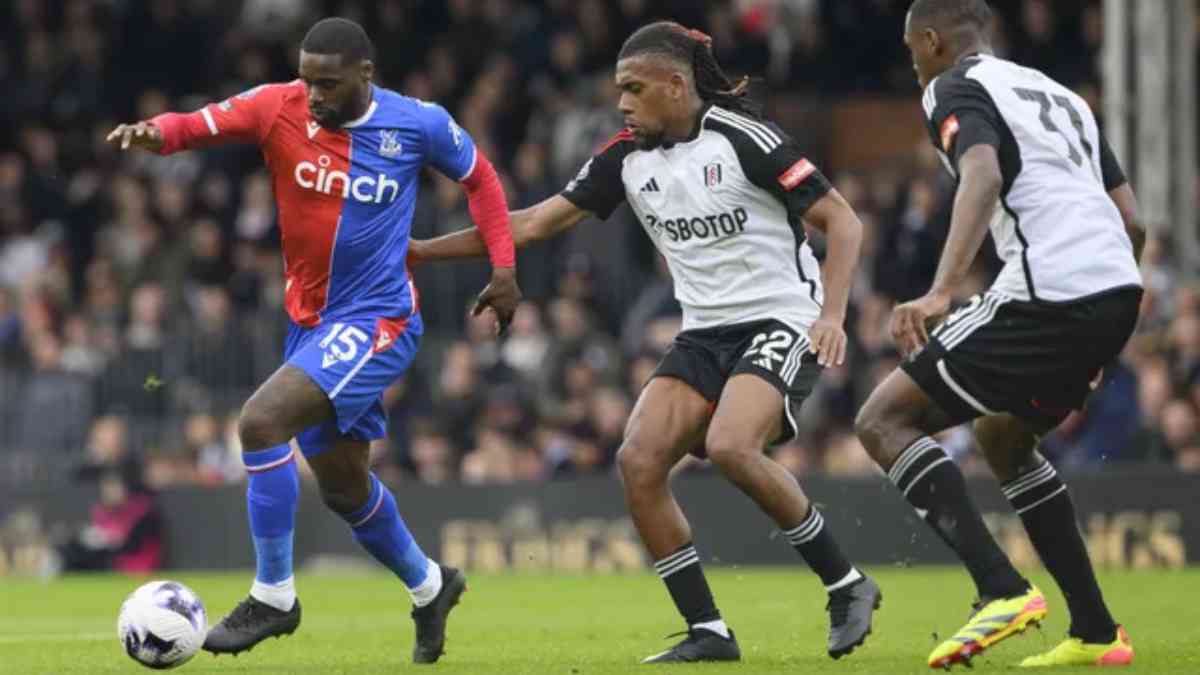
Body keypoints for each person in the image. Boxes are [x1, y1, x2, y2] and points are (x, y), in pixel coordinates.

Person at [410, 20, 880, 664]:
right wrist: (415, 252)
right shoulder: (625, 158)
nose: (623, 102)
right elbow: (534, 221)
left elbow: (843, 221)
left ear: (675, 84)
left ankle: (847, 584)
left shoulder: (744, 139)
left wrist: (832, 313)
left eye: (634, 88)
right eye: (618, 90)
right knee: (637, 462)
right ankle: (709, 631)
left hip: (780, 318)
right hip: (704, 331)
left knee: (731, 446)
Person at [106, 17, 521, 664]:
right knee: (344, 487)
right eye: (307, 79)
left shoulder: (420, 124)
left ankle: (273, 595)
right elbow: (202, 124)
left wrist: (503, 269)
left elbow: (484, 182)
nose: (314, 95)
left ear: (365, 75)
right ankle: (431, 585)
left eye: (328, 83)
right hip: (310, 323)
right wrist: (154, 133)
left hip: (378, 319)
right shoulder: (280, 106)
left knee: (261, 422)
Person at [853, 0, 1143, 668]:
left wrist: (941, 288)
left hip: (1048, 288)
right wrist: (1103, 330)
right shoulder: (1062, 96)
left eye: (911, 51)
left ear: (931, 40)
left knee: (883, 419)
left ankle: (999, 588)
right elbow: (1131, 221)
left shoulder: (952, 87)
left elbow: (980, 174)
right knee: (1001, 434)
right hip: (1114, 289)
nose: (913, 64)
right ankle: (1099, 633)